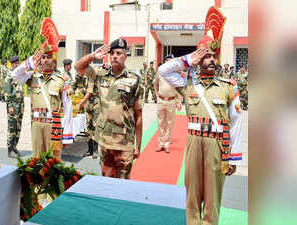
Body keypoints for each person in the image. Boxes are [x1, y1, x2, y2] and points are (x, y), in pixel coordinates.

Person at [158, 6, 243, 225]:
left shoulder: (228, 86)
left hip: (217, 144)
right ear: (199, 58)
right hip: (194, 142)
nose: (212, 60)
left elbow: (236, 122)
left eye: (214, 55)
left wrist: (234, 156)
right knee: (192, 193)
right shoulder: (187, 83)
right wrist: (188, 59)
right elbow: (163, 71)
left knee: (213, 195)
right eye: (207, 56)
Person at [74, 38, 143, 179]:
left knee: (123, 183)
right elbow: (78, 67)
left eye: (119, 53)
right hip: (105, 140)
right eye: (112, 54)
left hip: (125, 142)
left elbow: (138, 115)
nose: (115, 56)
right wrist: (93, 56)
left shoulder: (134, 79)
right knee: (106, 181)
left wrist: (138, 146)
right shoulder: (100, 74)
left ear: (126, 55)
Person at [11, 43, 70, 159]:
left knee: (53, 159)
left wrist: (67, 131)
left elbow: (68, 106)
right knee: (37, 158)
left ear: (54, 61)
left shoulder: (62, 79)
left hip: (54, 125)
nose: (46, 60)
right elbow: (14, 75)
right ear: (40, 61)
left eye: (49, 57)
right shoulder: (32, 77)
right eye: (43, 57)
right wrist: (30, 61)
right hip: (37, 124)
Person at [154, 54, 181, 153]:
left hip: (171, 101)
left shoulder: (176, 75)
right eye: (167, 61)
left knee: (169, 123)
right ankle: (160, 144)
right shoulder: (159, 73)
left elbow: (179, 89)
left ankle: (166, 144)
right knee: (161, 122)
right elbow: (155, 84)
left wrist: (179, 102)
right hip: (161, 100)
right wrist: (157, 96)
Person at [4, 56, 24, 158]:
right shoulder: (9, 76)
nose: (17, 65)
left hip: (20, 105)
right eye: (15, 63)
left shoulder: (19, 75)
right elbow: (7, 93)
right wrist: (10, 107)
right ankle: (10, 148)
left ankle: (15, 146)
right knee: (12, 127)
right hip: (13, 106)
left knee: (18, 127)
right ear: (11, 64)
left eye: (18, 63)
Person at [76, 73, 99, 159]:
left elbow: (89, 92)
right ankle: (90, 150)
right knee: (88, 127)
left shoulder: (91, 76)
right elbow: (75, 86)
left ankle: (96, 151)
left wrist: (80, 103)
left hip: (96, 104)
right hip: (87, 104)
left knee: (95, 126)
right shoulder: (80, 77)